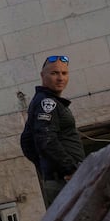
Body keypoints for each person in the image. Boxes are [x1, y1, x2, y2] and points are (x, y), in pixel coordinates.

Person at [19, 54, 85, 207]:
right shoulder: (46, 102)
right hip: (65, 182)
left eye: (64, 73)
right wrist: (69, 169)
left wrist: (46, 165)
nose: (60, 78)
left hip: (62, 180)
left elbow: (27, 141)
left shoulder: (49, 101)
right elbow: (46, 139)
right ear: (43, 76)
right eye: (54, 73)